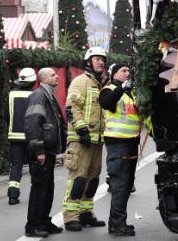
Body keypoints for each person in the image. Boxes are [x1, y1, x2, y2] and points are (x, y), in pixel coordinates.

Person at [99, 63, 152, 237]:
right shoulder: (109, 89)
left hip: (130, 144)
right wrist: (121, 88)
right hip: (118, 144)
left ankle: (118, 222)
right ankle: (116, 225)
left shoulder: (129, 93)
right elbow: (107, 103)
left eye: (129, 70)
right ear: (114, 74)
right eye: (124, 71)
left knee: (127, 185)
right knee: (120, 186)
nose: (128, 73)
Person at [62, 47, 108, 232]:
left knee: (93, 179)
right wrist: (82, 131)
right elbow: (72, 107)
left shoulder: (100, 83)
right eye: (97, 59)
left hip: (97, 141)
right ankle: (71, 216)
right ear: (88, 62)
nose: (101, 62)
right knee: (78, 179)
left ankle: (86, 213)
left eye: (103, 59)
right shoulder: (80, 81)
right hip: (81, 140)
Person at [23, 68, 67, 238]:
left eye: (56, 74)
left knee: (48, 188)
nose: (56, 76)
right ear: (44, 79)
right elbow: (32, 124)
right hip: (41, 152)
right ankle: (33, 225)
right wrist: (39, 150)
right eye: (52, 75)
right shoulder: (39, 96)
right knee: (40, 189)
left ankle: (44, 221)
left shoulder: (48, 95)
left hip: (48, 151)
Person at [6, 68, 36, 206]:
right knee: (34, 166)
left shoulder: (11, 95)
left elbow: (6, 115)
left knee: (16, 165)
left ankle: (12, 195)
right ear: (34, 81)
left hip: (14, 136)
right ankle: (36, 194)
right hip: (31, 137)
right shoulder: (35, 95)